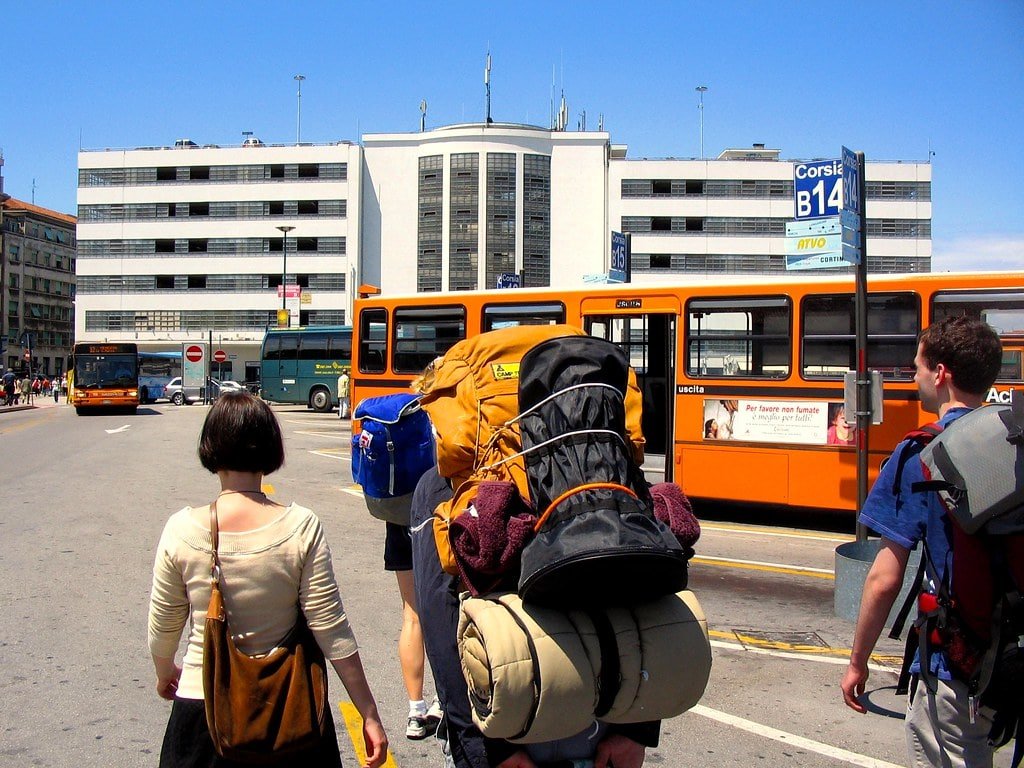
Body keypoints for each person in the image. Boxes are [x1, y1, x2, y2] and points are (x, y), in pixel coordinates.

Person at [147, 391, 388, 768]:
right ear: (271, 448)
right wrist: (368, 713)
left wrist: (166, 673)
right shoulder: (300, 526)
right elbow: (330, 627)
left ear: (210, 447)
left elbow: (163, 627)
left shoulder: (181, 529)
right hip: (290, 711)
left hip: (203, 709)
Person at [410, 467, 659, 768]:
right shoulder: (600, 457)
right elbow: (653, 576)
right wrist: (638, 730)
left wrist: (489, 753)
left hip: (506, 730)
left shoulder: (449, 477)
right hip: (602, 726)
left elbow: (443, 622)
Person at [840, 316, 1003, 768]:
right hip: (1013, 650)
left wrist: (857, 662)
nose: (914, 378)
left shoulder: (921, 453)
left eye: (917, 367)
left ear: (941, 373)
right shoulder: (1015, 441)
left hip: (958, 661)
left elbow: (884, 579)